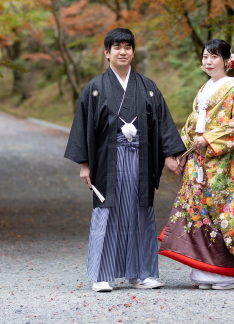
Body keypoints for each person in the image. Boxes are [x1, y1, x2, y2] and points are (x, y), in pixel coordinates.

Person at [64, 28, 185, 292]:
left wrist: (168, 154)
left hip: (140, 159)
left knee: (141, 212)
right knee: (107, 212)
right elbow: (83, 127)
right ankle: (101, 275)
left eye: (127, 47)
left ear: (132, 52)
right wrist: (85, 164)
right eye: (116, 47)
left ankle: (143, 273)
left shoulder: (148, 87)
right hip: (108, 160)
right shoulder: (95, 89)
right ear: (106, 53)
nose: (122, 52)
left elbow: (162, 123)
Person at [158, 39, 234, 290]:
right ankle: (204, 271)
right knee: (199, 212)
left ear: (226, 60)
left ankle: (226, 274)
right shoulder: (204, 89)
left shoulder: (233, 87)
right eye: (205, 57)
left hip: (222, 162)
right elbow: (192, 125)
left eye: (214, 57)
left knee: (220, 212)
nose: (208, 62)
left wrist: (210, 139)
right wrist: (180, 152)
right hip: (199, 160)